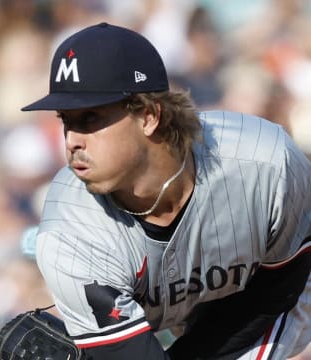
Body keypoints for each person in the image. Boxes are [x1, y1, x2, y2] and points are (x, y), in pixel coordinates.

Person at [21, 22, 311, 360]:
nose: (71, 141)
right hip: (172, 322)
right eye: (65, 120)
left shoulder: (265, 161)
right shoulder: (69, 229)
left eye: (89, 119)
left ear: (148, 116)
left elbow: (278, 291)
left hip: (269, 299)